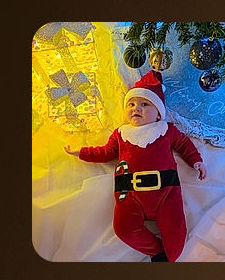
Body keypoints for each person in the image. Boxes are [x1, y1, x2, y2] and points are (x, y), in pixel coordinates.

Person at [64, 70, 206, 261]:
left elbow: (184, 145)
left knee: (176, 231)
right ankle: (157, 252)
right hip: (129, 195)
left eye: (144, 104)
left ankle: (170, 258)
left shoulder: (166, 129)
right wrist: (81, 152)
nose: (135, 108)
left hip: (166, 193)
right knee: (122, 228)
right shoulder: (121, 133)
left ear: (158, 114)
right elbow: (105, 153)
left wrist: (197, 161)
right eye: (131, 104)